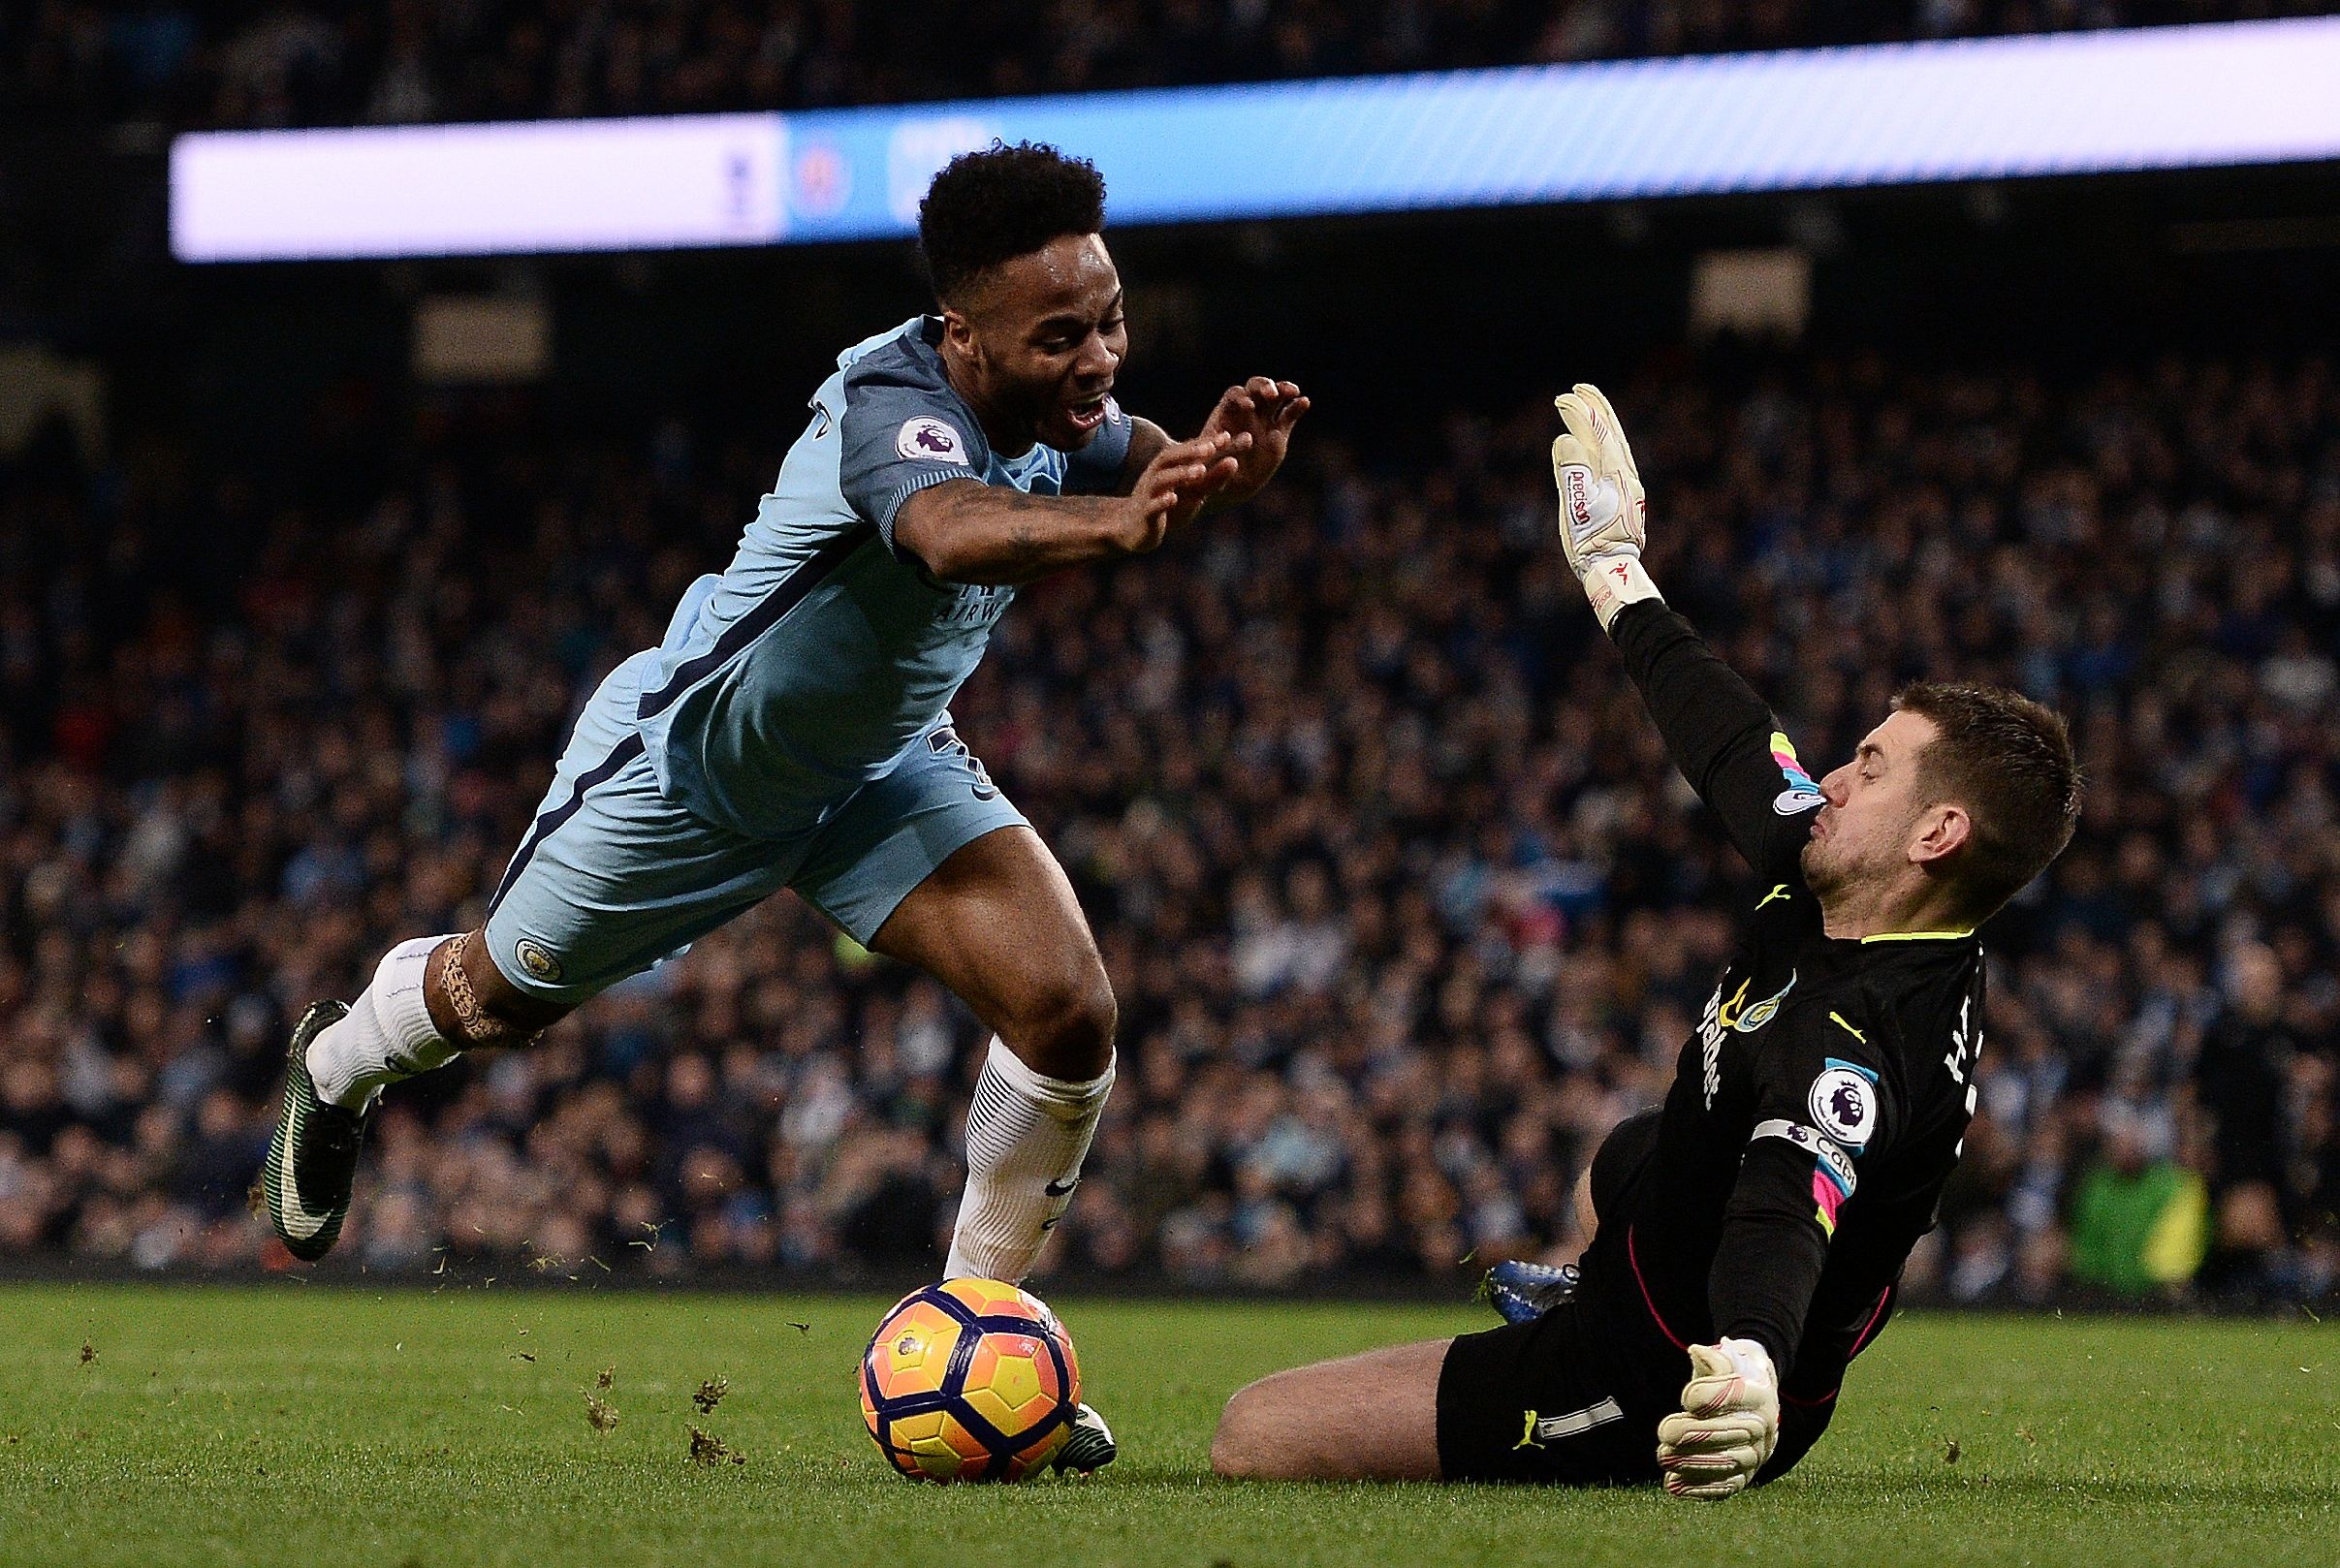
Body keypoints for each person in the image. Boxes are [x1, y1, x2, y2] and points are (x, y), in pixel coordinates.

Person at [258, 141, 1306, 1472]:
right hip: (694, 771)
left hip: (878, 764)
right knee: (496, 997)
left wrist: (1221, 467)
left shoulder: (1056, 405)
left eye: (1108, 318)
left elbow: (1134, 453)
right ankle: (336, 1063)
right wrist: (1120, 529)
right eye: (1060, 336)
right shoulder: (889, 395)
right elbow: (944, 529)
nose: (1098, 356)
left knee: (1067, 1011)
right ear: (961, 336)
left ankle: (977, 1323)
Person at [1210, 384, 2078, 1497]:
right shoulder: (1860, 887)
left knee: (1253, 1431)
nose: (1826, 776)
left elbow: (1785, 1208)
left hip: (1664, 1367)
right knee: (1627, 1149)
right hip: (1674, 1240)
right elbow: (1731, 748)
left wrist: (1752, 1363)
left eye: (1866, 765)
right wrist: (1614, 566)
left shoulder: (1847, 1038)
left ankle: (1621, 1382)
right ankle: (1596, 1287)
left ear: (1934, 831)